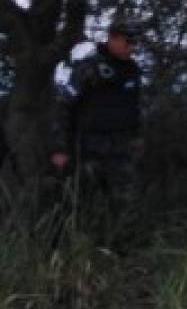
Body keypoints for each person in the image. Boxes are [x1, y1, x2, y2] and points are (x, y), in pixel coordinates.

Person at [51, 20, 145, 224]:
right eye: (128, 42)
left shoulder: (132, 70)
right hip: (88, 150)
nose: (132, 47)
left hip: (120, 151)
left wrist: (137, 138)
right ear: (113, 38)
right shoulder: (90, 67)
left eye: (135, 43)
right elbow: (64, 107)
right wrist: (60, 148)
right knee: (80, 207)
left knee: (126, 207)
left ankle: (121, 243)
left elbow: (134, 107)